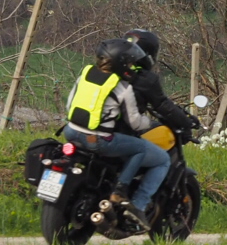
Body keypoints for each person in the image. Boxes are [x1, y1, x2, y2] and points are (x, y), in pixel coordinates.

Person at [62, 38, 168, 231]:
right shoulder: (122, 87)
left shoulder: (85, 75)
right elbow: (135, 123)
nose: (131, 66)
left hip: (70, 132)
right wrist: (152, 124)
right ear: (120, 64)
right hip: (98, 140)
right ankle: (122, 192)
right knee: (147, 151)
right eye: (128, 62)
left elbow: (69, 105)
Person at [118, 28, 197, 146]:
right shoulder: (144, 78)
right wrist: (186, 122)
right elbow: (163, 105)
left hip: (98, 128)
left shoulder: (110, 70)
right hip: (123, 132)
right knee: (161, 158)